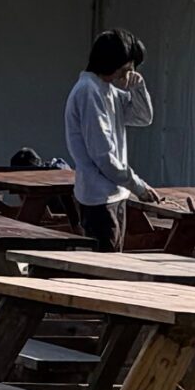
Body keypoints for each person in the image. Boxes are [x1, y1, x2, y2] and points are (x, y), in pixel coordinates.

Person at [63, 28, 159, 250]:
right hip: (98, 195)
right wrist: (138, 186)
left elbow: (143, 117)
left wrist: (138, 87)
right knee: (105, 267)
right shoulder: (89, 91)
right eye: (127, 66)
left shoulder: (108, 90)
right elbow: (103, 156)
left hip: (114, 192)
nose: (130, 71)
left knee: (113, 258)